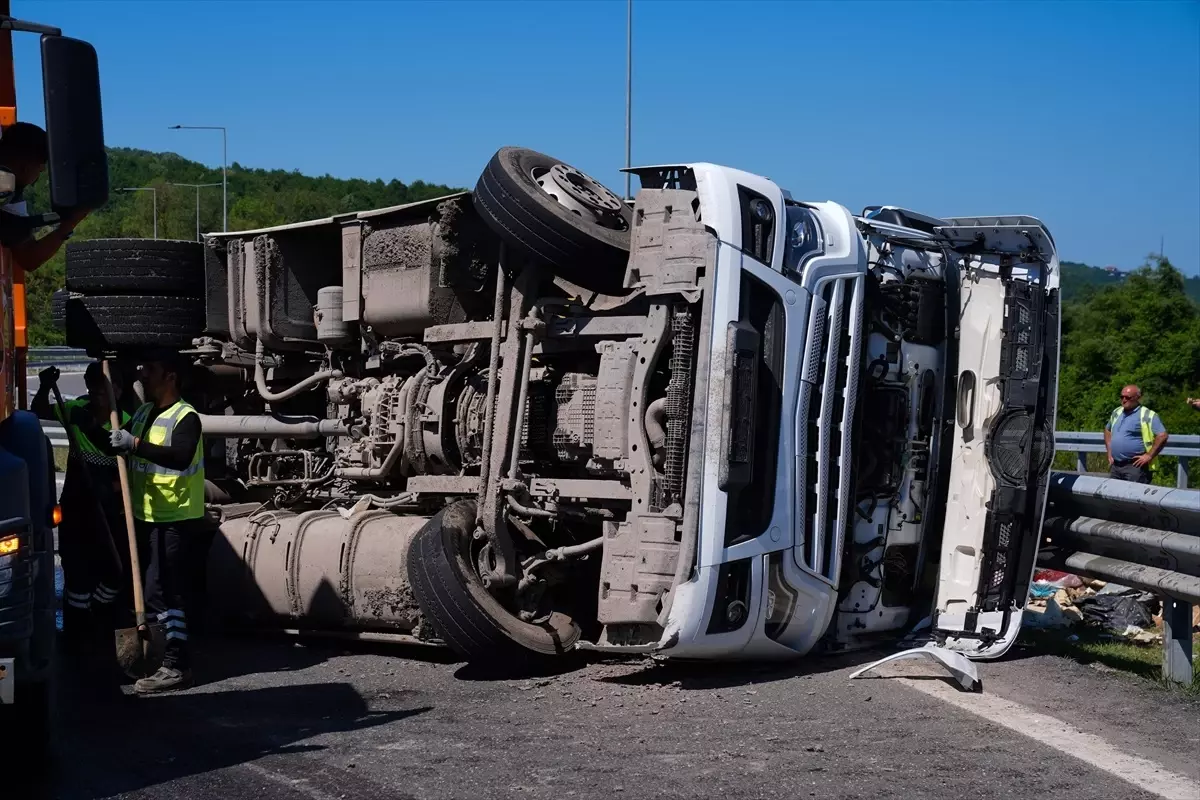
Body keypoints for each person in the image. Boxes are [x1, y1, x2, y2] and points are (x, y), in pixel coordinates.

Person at [109, 350, 209, 694]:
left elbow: (179, 457)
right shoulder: (144, 413)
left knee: (164, 591)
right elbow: (128, 452)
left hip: (176, 518)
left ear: (171, 377)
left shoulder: (187, 418)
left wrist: (134, 444)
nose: (143, 373)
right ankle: (164, 657)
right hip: (146, 515)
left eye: (151, 369)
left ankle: (178, 665)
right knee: (152, 589)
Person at [31, 362, 131, 653]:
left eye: (103, 391)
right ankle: (77, 626)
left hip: (109, 509)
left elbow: (131, 469)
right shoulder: (77, 409)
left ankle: (100, 615)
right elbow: (40, 410)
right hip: (77, 504)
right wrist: (47, 385)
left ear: (118, 391)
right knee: (76, 569)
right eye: (93, 390)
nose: (96, 396)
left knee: (113, 570)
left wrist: (111, 490)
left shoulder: (126, 422)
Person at [0, 121, 90, 271]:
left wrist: (68, 223)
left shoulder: (12, 198)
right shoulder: (8, 190)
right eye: (41, 168)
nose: (38, 175)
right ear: (26, 167)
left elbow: (29, 257)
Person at [1104, 385, 1168, 484]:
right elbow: (1107, 430)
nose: (1124, 400)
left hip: (1135, 467)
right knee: (1114, 497)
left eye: (1128, 397)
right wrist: (1109, 452)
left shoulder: (1147, 414)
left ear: (1137, 398)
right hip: (1116, 466)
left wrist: (1149, 456)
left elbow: (1162, 435)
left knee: (1132, 498)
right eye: (1122, 397)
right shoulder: (1117, 412)